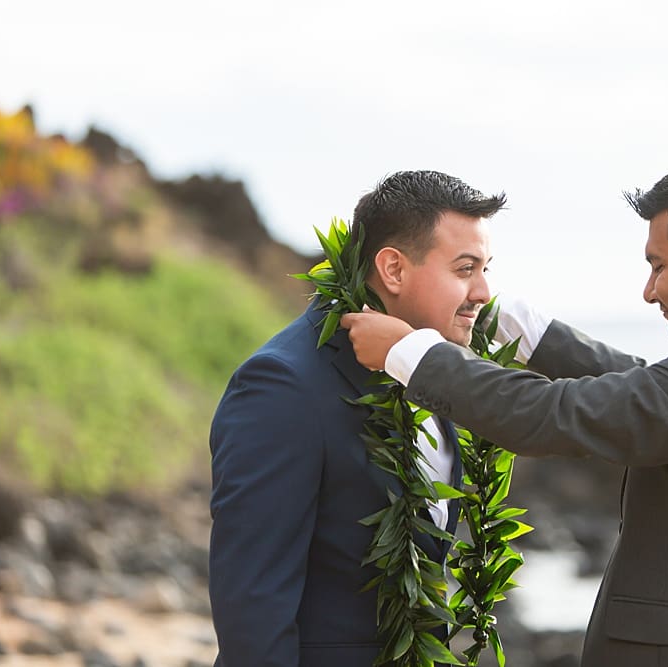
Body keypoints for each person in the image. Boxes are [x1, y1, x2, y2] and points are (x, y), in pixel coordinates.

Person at [342, 158, 668, 666]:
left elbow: (554, 413)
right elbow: (659, 395)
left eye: (659, 265)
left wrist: (411, 354)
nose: (649, 291)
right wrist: (523, 329)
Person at [208, 170, 506, 666]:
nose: (483, 292)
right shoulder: (282, 386)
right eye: (465, 269)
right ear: (393, 269)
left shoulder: (432, 369)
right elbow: (252, 609)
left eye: (485, 269)